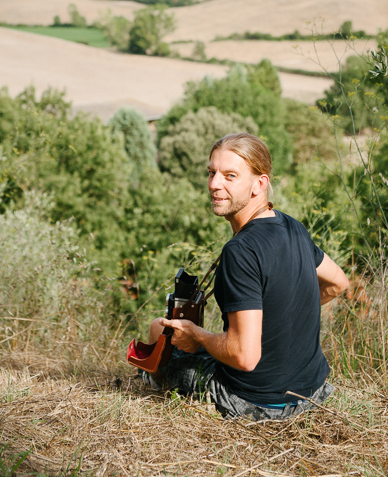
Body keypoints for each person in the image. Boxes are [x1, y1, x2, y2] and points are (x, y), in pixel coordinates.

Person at [145, 132, 349, 421]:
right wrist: (283, 315)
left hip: (255, 403)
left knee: (157, 329)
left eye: (230, 176)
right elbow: (338, 282)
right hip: (312, 393)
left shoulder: (240, 251)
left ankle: (154, 383)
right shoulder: (293, 227)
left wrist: (198, 336)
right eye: (212, 173)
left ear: (259, 184)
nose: (214, 185)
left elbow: (244, 356)